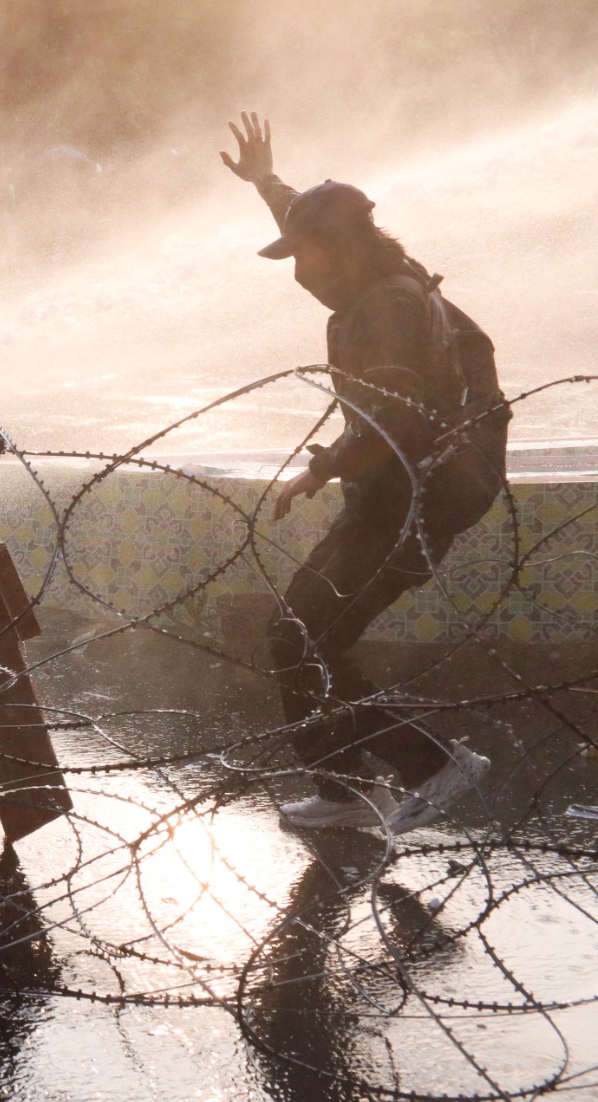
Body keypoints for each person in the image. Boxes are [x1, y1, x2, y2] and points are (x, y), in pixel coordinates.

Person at [222, 112, 508, 834]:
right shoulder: (380, 283)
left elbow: (397, 417)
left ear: (339, 250)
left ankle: (432, 765)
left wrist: (320, 470)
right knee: (302, 637)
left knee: (303, 640)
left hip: (405, 506)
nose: (297, 269)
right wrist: (265, 182)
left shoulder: (386, 308)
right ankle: (346, 790)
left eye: (304, 253)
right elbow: (306, 213)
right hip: (393, 501)